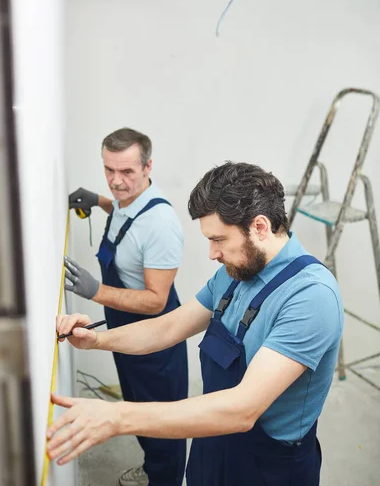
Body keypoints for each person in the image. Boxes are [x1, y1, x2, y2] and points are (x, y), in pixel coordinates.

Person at [49, 161, 343, 486]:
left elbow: (242, 409)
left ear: (260, 227)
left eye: (219, 239)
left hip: (266, 468)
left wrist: (117, 417)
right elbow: (169, 327)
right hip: (212, 441)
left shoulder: (311, 297)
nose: (212, 253)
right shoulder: (235, 275)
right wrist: (98, 339)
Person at [65, 127, 188, 486]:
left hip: (156, 342)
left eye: (127, 172)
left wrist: (96, 290)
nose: (116, 182)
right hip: (126, 333)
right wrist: (100, 201)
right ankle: (153, 469)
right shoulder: (125, 199)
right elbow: (122, 210)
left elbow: (156, 300)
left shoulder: (161, 225)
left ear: (148, 167)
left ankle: (164, 479)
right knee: (136, 408)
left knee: (161, 422)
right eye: (109, 170)